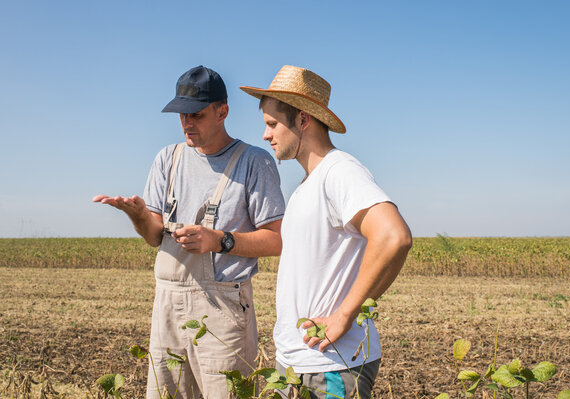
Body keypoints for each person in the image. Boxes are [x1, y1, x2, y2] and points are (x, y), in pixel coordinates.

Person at [93, 65, 285, 399]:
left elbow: (277, 239)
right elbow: (155, 236)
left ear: (222, 111)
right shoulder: (168, 158)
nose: (186, 124)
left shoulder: (253, 162)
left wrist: (219, 240)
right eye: (181, 115)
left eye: (195, 115)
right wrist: (138, 216)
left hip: (222, 306)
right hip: (167, 303)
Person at [240, 65, 412, 398]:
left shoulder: (339, 171)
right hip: (298, 364)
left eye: (273, 124)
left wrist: (345, 314)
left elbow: (394, 236)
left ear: (303, 120)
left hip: (330, 365)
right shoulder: (308, 184)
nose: (265, 135)